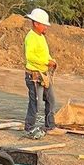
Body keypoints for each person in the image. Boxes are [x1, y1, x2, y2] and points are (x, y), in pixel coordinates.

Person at [24, 8, 57, 139]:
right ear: (36, 23)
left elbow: (44, 53)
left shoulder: (41, 37)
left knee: (51, 100)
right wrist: (46, 62)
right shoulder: (31, 37)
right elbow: (30, 57)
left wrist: (51, 60)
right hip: (34, 75)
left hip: (42, 75)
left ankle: (50, 125)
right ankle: (29, 127)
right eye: (44, 24)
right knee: (35, 103)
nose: (46, 27)